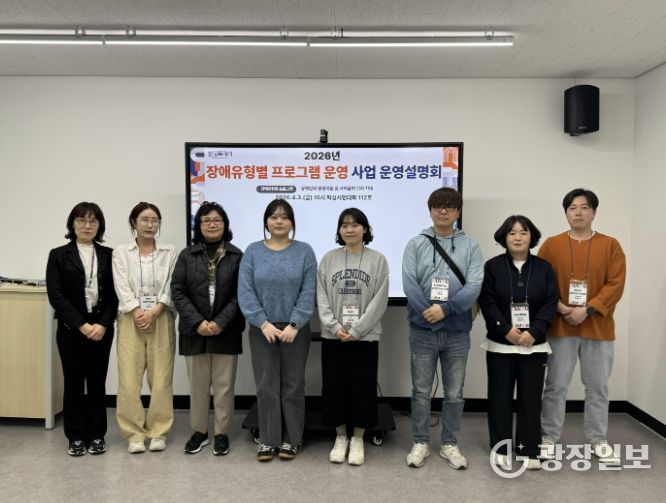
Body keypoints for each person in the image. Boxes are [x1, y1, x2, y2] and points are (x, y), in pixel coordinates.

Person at [538, 188, 626, 463]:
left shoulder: (611, 245)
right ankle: (548, 437)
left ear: (594, 213)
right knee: (555, 386)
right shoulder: (551, 245)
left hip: (598, 329)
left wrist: (587, 310)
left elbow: (616, 284)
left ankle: (598, 439)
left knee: (598, 387)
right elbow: (541, 281)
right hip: (560, 327)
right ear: (566, 213)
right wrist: (561, 307)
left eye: (584, 207)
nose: (578, 212)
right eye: (572, 208)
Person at [402, 187, 483, 469]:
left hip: (458, 331)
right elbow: (409, 283)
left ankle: (449, 443)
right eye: (438, 206)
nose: (443, 211)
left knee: (454, 393)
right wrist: (430, 313)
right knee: (421, 391)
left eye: (449, 206)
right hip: (422, 330)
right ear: (430, 211)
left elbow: (474, 285)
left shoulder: (470, 246)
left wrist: (445, 309)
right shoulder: (416, 244)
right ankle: (420, 442)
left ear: (458, 212)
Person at [238, 199, 317, 462]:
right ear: (266, 222)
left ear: (292, 222)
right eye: (273, 217)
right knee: (266, 386)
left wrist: (295, 324)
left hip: (296, 330)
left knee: (293, 386)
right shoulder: (252, 251)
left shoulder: (304, 251)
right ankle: (268, 440)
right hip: (262, 329)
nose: (279, 221)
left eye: (284, 217)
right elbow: (245, 292)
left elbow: (308, 291)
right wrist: (262, 323)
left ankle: (292, 439)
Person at [478, 215, 558, 471]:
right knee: (499, 398)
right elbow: (487, 301)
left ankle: (528, 448)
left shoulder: (544, 268)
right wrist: (505, 330)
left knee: (531, 399)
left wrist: (534, 331)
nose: (518, 237)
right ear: (504, 237)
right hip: (501, 345)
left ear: (531, 237)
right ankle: (501, 448)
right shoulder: (492, 267)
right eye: (512, 233)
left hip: (534, 345)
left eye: (523, 232)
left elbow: (550, 303)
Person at [171, 202, 245, 456]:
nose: (212, 224)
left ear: (225, 224)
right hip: (194, 331)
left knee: (224, 387)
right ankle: (200, 431)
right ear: (199, 225)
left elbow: (240, 294)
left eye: (217, 220)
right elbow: (178, 291)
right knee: (198, 387)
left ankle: (221, 433)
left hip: (227, 330)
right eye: (206, 220)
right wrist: (198, 322)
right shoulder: (186, 255)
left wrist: (220, 322)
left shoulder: (236, 255)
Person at [317, 208, 389, 466]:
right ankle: (340, 437)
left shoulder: (378, 260)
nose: (350, 229)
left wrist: (357, 330)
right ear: (339, 230)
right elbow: (321, 297)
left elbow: (380, 300)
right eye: (344, 225)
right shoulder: (328, 259)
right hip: (334, 336)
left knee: (363, 387)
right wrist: (334, 327)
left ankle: (358, 438)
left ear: (365, 229)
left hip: (365, 337)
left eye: (355, 224)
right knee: (334, 387)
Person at [46, 202, 118, 456]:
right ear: (72, 224)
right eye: (81, 220)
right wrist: (81, 325)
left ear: (99, 226)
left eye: (93, 221)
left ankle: (97, 434)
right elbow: (56, 295)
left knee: (97, 382)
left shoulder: (109, 255)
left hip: (101, 327)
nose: (87, 226)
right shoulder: (58, 255)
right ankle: (75, 436)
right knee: (73, 381)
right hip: (71, 328)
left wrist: (103, 324)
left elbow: (115, 295)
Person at [112, 202, 178, 454]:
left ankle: (159, 432)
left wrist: (155, 310)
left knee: (161, 380)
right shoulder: (121, 252)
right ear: (134, 223)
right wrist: (138, 312)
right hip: (131, 320)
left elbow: (171, 284)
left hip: (161, 318)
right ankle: (134, 434)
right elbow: (121, 285)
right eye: (145, 220)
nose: (150, 225)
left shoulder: (170, 252)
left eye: (154, 220)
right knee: (129, 382)